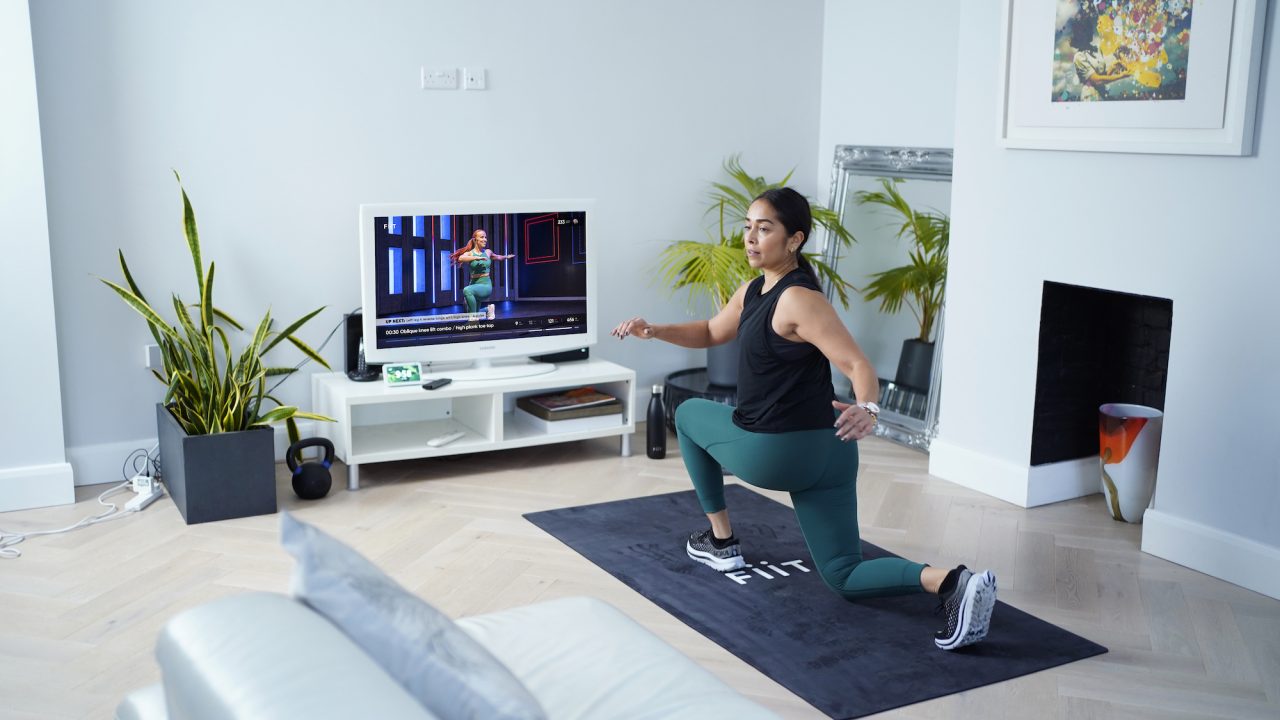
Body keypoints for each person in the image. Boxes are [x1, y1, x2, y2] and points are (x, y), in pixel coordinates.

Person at [611, 187, 997, 651]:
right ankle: (953, 583)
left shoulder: (796, 299)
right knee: (844, 575)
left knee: (691, 412)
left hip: (776, 453)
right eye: (749, 226)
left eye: (765, 228)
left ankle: (722, 542)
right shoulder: (755, 290)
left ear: (794, 240)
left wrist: (869, 407)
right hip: (830, 454)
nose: (751, 237)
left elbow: (857, 365)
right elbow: (713, 331)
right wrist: (654, 330)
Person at [450, 229, 514, 315]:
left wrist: (506, 257)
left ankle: (473, 321)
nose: (485, 239)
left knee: (467, 290)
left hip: (485, 285)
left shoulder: (488, 252)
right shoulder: (470, 253)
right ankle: (488, 309)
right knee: (470, 312)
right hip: (473, 284)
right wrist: (476, 257)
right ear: (475, 239)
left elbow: (498, 257)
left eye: (485, 237)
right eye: (482, 237)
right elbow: (461, 258)